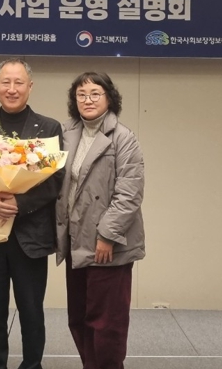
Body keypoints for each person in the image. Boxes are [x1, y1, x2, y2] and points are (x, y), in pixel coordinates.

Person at [0, 58, 64, 369]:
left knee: (31, 310)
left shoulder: (48, 128)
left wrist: (22, 203)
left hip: (31, 237)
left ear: (30, 87)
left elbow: (55, 180)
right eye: (6, 82)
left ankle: (32, 364)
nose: (12, 88)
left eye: (19, 82)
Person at [55, 72, 145, 369]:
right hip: (75, 241)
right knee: (79, 318)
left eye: (95, 93)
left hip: (108, 246)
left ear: (109, 98)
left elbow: (129, 193)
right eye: (81, 94)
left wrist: (106, 235)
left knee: (107, 323)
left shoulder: (123, 137)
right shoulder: (65, 134)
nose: (88, 100)